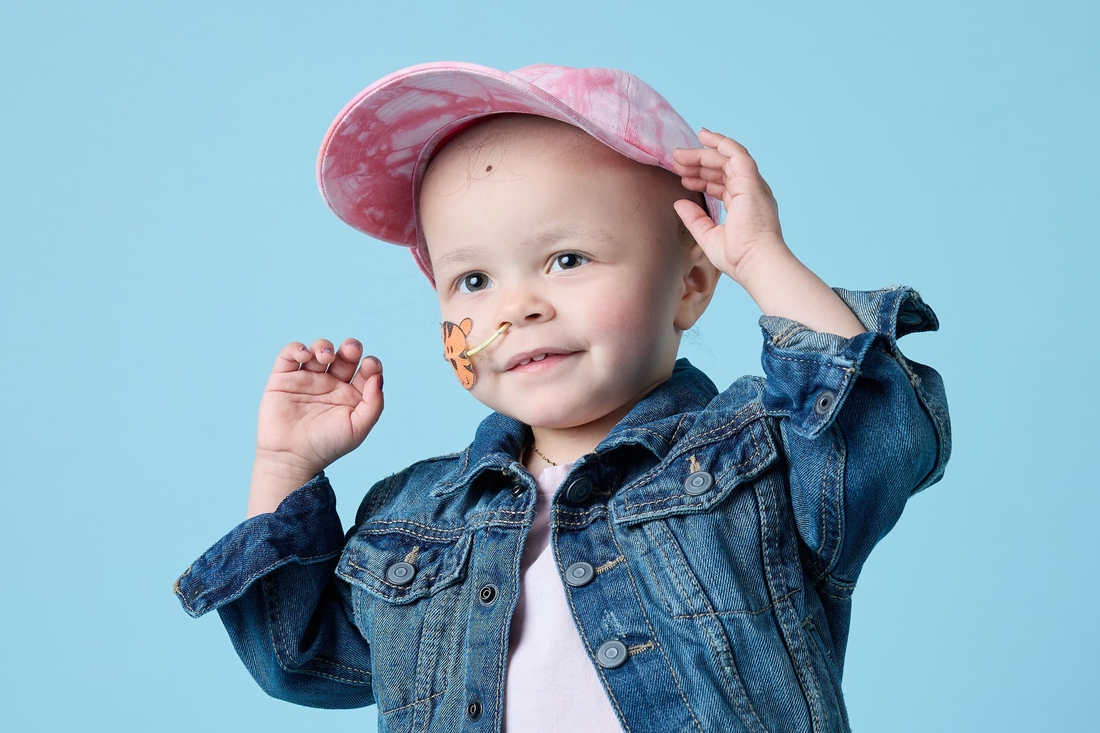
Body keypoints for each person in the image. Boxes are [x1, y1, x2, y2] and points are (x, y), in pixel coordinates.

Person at [174, 61, 950, 733]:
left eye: (567, 258)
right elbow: (297, 656)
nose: (515, 308)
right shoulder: (417, 521)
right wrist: (284, 465)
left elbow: (874, 422)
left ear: (689, 283)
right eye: (473, 279)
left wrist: (763, 257)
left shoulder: (752, 462)